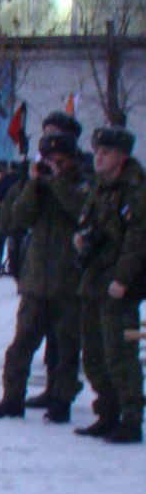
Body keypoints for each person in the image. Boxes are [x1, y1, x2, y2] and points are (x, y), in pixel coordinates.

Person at [0, 134, 88, 424]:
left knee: (66, 349)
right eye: (48, 160)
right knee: (20, 345)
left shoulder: (83, 183)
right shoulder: (37, 186)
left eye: (60, 161)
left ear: (72, 160)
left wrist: (58, 182)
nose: (53, 165)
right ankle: (12, 398)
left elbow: (83, 214)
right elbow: (15, 219)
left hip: (68, 280)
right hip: (36, 280)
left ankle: (61, 401)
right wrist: (33, 184)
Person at [73, 127, 145, 443]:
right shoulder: (98, 187)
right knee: (93, 354)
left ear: (122, 157)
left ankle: (131, 419)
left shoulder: (135, 190)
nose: (99, 157)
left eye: (106, 153)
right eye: (98, 151)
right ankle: (107, 412)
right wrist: (81, 240)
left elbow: (137, 241)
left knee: (120, 355)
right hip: (93, 280)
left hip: (118, 285)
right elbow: (89, 223)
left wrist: (122, 279)